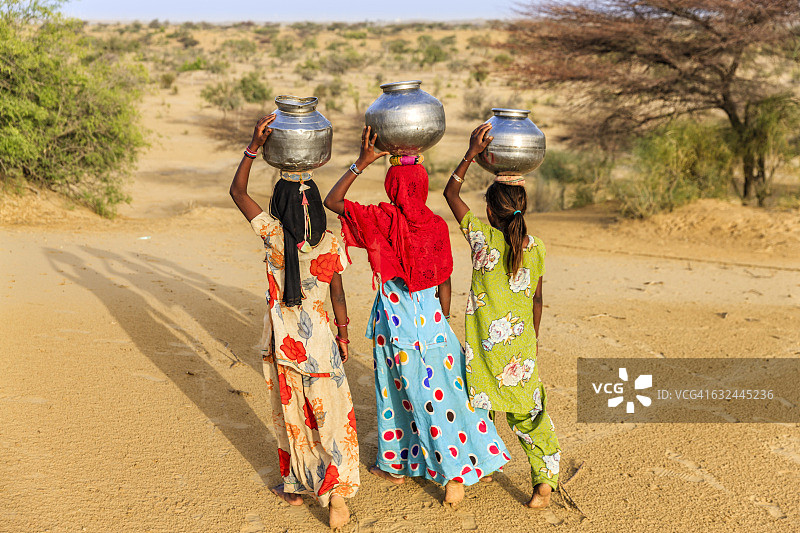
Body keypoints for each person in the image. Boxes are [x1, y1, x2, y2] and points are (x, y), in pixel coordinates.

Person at [323, 126, 509, 508]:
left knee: (403, 395)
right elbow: (444, 283)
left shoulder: (381, 220)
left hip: (396, 323)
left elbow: (333, 200)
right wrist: (438, 320)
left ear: (392, 186)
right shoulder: (436, 225)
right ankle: (472, 456)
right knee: (451, 395)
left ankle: (451, 473)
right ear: (422, 187)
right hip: (434, 325)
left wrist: (363, 161)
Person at [230, 115, 359, 530]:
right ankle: (337, 495)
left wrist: (254, 146)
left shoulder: (271, 235)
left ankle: (295, 485)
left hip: (284, 340)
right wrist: (343, 335)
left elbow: (237, 191)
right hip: (322, 340)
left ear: (278, 208)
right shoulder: (332, 242)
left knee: (294, 416)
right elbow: (337, 294)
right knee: (334, 415)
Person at [442, 123, 561, 509]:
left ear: (490, 212)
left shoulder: (480, 237)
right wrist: (532, 339)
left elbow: (450, 192)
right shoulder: (537, 247)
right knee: (528, 413)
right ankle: (543, 482)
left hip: (482, 348)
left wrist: (472, 153)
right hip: (521, 346)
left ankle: (470, 471)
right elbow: (538, 300)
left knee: (475, 405)